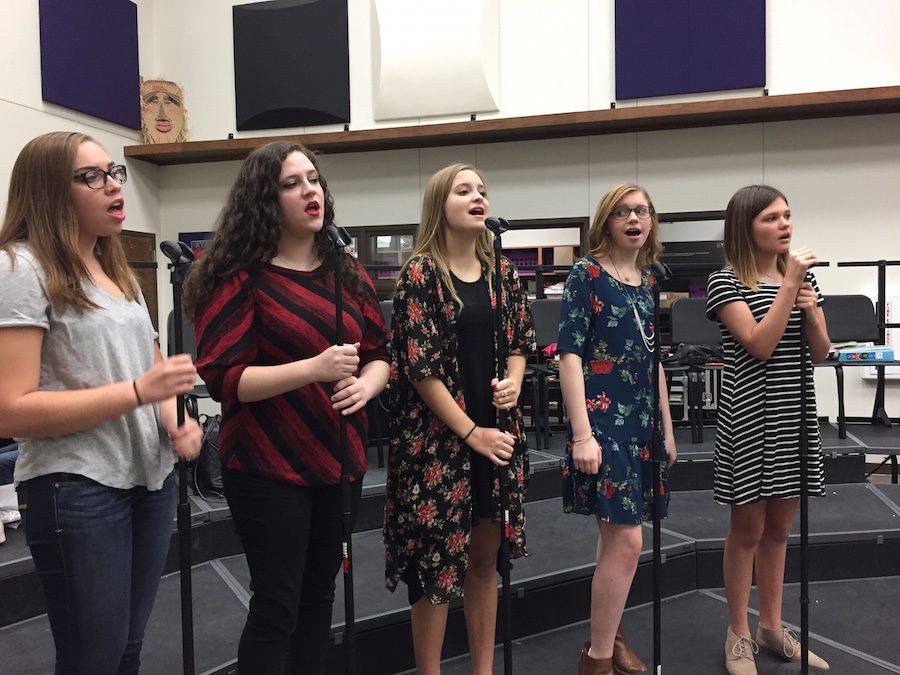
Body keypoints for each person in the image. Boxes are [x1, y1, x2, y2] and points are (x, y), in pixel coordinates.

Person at [0, 131, 202, 673]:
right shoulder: (20, 268)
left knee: (127, 649)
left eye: (114, 171)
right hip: (77, 487)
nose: (113, 185)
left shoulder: (117, 272)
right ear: (47, 191)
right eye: (92, 176)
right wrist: (137, 394)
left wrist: (176, 423)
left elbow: (153, 369)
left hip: (147, 481)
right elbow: (11, 407)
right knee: (94, 657)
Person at [186, 141, 390, 675]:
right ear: (264, 199)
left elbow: (380, 354)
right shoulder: (237, 275)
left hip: (337, 459)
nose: (310, 191)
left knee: (320, 596)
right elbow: (223, 379)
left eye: (314, 179)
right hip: (265, 465)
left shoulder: (346, 271)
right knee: (278, 604)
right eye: (292, 183)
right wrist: (313, 369)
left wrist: (367, 386)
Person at [383, 163, 536, 675]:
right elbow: (420, 370)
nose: (478, 197)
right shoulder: (420, 275)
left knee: (484, 562)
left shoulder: (503, 274)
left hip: (495, 438)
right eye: (463, 189)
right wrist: (472, 432)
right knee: (433, 572)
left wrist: (513, 382)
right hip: (440, 445)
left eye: (483, 190)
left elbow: (519, 342)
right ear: (438, 205)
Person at [706, 185, 831, 674]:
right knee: (747, 531)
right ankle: (738, 633)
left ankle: (772, 628)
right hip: (751, 417)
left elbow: (820, 352)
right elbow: (759, 344)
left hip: (793, 413)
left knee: (779, 530)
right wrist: (789, 287)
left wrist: (813, 309)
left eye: (788, 215)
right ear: (746, 227)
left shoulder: (797, 280)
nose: (785, 225)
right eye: (771, 218)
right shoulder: (725, 282)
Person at [558, 183, 677, 675]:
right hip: (604, 422)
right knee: (628, 542)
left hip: (643, 424)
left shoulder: (648, 280)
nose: (634, 219)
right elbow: (570, 354)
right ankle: (598, 661)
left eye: (642, 211)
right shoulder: (585, 275)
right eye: (623, 212)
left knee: (614, 541)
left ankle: (608, 635)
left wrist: (668, 428)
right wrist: (582, 434)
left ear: (651, 222)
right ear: (606, 221)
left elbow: (654, 360)